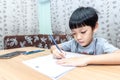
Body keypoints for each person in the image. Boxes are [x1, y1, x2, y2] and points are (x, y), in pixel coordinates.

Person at [50, 7, 120, 67]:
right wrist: (55, 51)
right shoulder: (73, 43)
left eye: (83, 32)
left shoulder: (100, 43)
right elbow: (53, 47)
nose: (78, 37)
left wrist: (86, 59)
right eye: (74, 33)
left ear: (95, 27)